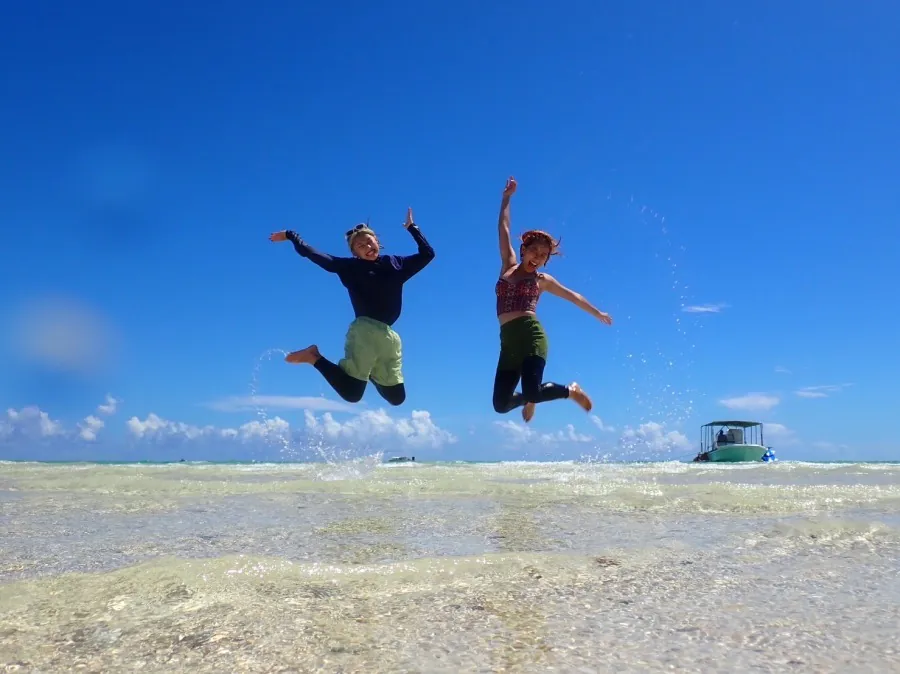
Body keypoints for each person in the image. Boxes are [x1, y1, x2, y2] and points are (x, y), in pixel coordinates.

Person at [268, 207, 434, 406]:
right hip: (364, 331)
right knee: (352, 394)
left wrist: (412, 228)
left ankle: (370, 372)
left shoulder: (396, 264)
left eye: (369, 241)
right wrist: (290, 235)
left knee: (397, 398)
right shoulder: (349, 268)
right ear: (355, 253)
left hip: (389, 336)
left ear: (377, 241)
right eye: (360, 245)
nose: (366, 246)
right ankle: (313, 357)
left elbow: (427, 254)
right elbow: (312, 253)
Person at [493, 176, 613, 423]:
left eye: (543, 255)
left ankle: (571, 391)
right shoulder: (508, 265)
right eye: (534, 251)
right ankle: (529, 399)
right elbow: (504, 229)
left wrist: (597, 312)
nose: (537, 257)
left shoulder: (542, 280)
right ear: (524, 249)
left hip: (531, 337)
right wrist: (506, 199)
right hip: (508, 343)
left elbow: (574, 297)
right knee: (500, 404)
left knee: (533, 391)